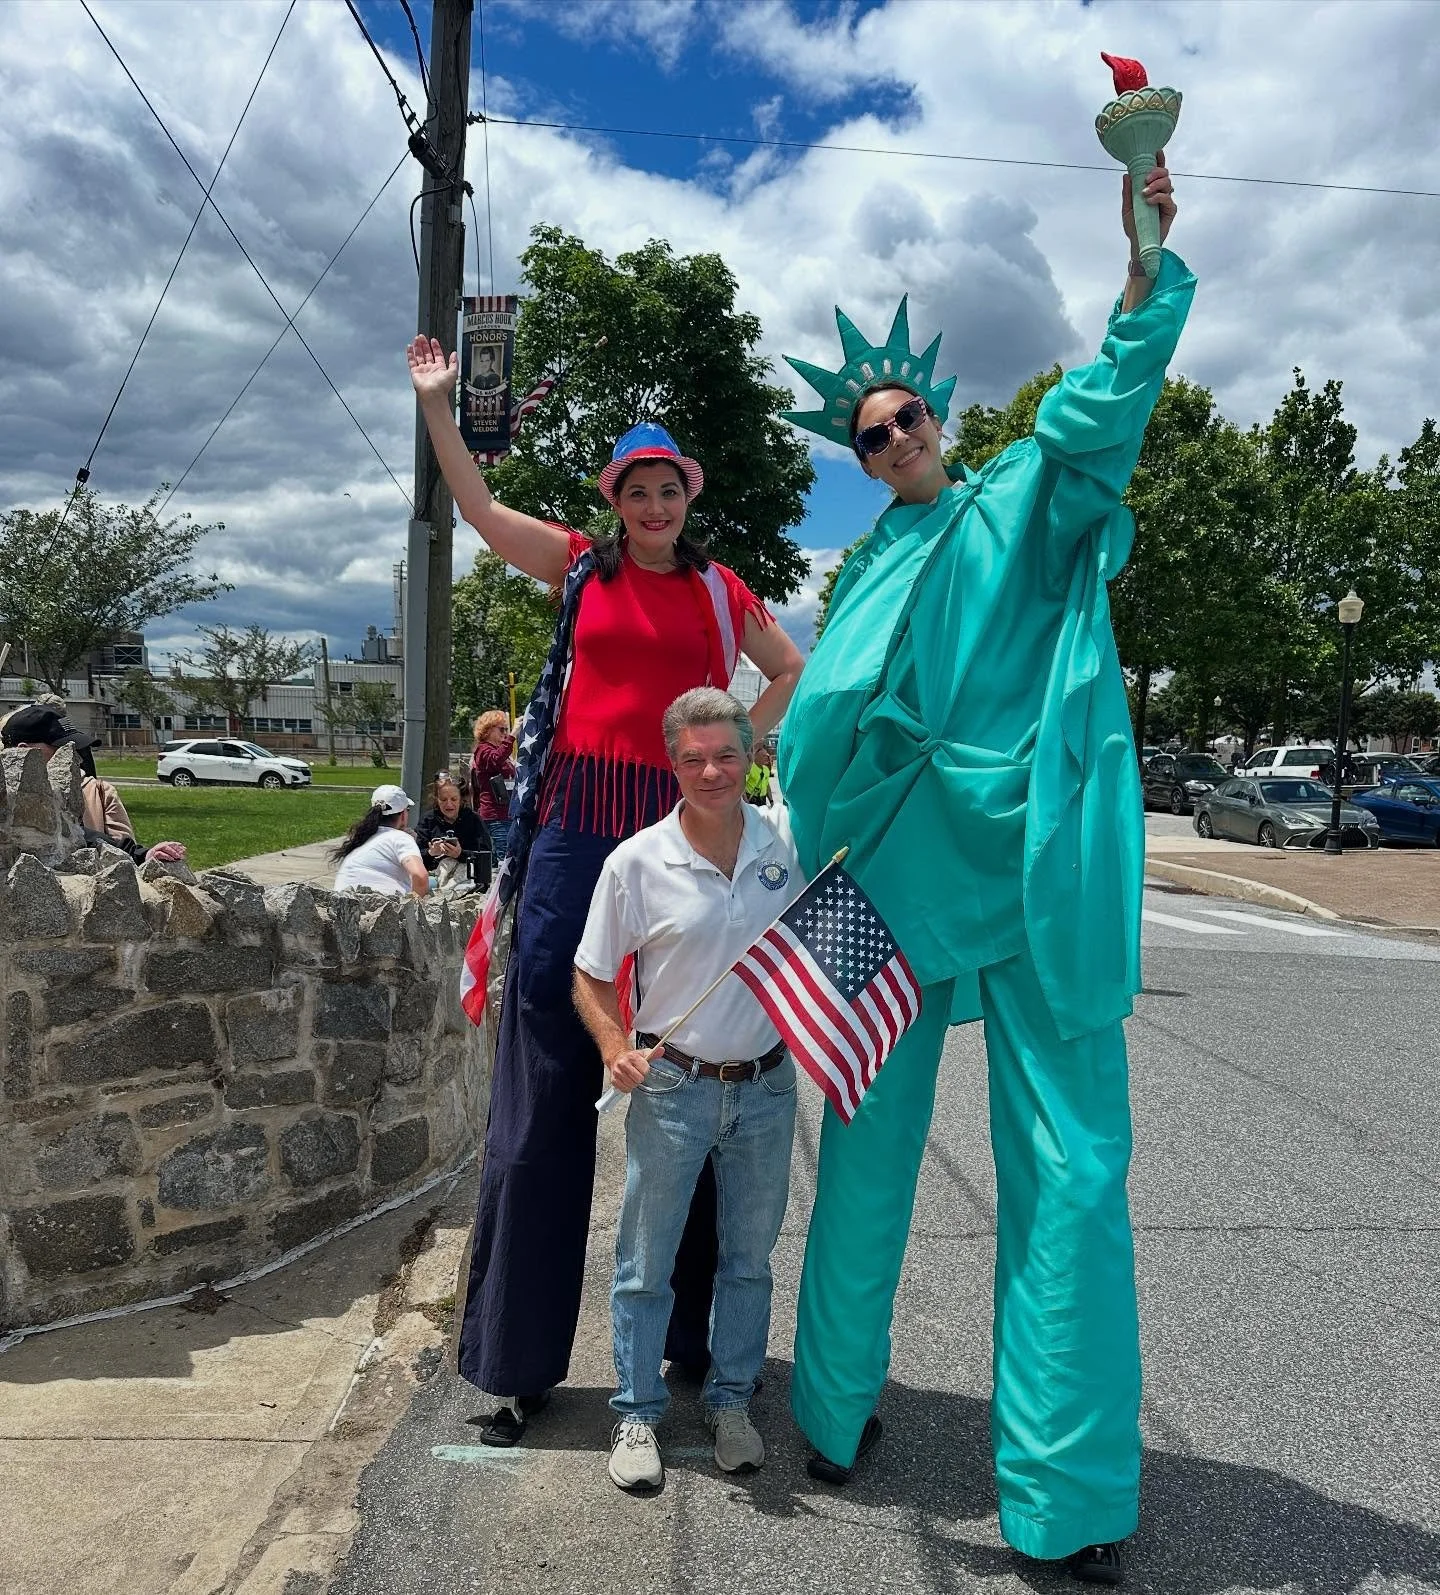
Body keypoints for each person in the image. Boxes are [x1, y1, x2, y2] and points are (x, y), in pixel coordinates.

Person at [776, 160, 1188, 1584]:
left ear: (942, 415)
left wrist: (1139, 269)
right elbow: (821, 724)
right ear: (859, 457)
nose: (891, 436)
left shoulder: (1021, 494)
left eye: (904, 415)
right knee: (869, 1151)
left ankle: (1061, 1496)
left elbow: (1105, 402)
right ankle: (830, 1415)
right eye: (867, 431)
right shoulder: (863, 569)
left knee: (1066, 1171)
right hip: (890, 871)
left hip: (1019, 869)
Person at [407, 335, 806, 1445]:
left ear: (687, 495)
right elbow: (481, 510)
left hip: (680, 830)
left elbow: (791, 671)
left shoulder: (727, 592)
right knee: (543, 1090)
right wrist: (441, 407)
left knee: (694, 1069)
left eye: (667, 483)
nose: (653, 499)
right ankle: (516, 1360)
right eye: (636, 485)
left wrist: (731, 750)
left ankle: (693, 1349)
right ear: (618, 501)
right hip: (577, 831)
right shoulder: (582, 565)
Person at [573, 689, 801, 1493]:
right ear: (672, 763)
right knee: (646, 1260)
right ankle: (637, 1410)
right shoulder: (635, 861)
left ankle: (731, 1399)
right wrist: (613, 1046)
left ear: (751, 755)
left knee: (749, 1259)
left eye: (726, 754)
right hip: (674, 1086)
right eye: (693, 757)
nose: (711, 770)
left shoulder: (786, 846)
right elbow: (591, 972)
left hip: (768, 1087)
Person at [2, 704, 186, 865]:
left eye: (75, 749)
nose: (74, 758)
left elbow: (78, 834)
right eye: (61, 750)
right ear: (23, 752)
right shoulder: (9, 800)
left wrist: (142, 854)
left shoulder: (78, 792)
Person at [331, 784, 429, 896]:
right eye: (408, 810)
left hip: (343, 904)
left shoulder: (363, 838)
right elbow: (420, 876)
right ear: (402, 814)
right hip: (380, 906)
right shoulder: (400, 837)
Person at [415, 771, 487, 889]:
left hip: (467, 878)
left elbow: (486, 858)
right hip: (435, 876)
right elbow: (415, 858)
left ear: (461, 799)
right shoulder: (428, 820)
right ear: (436, 799)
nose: (449, 804)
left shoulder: (474, 820)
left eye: (453, 799)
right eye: (443, 800)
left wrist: (460, 854)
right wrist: (431, 852)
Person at [469, 710, 517, 857]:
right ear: (488, 730)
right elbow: (495, 759)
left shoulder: (498, 751)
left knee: (506, 857)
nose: (505, 733)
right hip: (494, 816)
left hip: (506, 813)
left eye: (506, 730)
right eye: (501, 729)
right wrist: (513, 734)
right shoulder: (483, 750)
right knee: (503, 859)